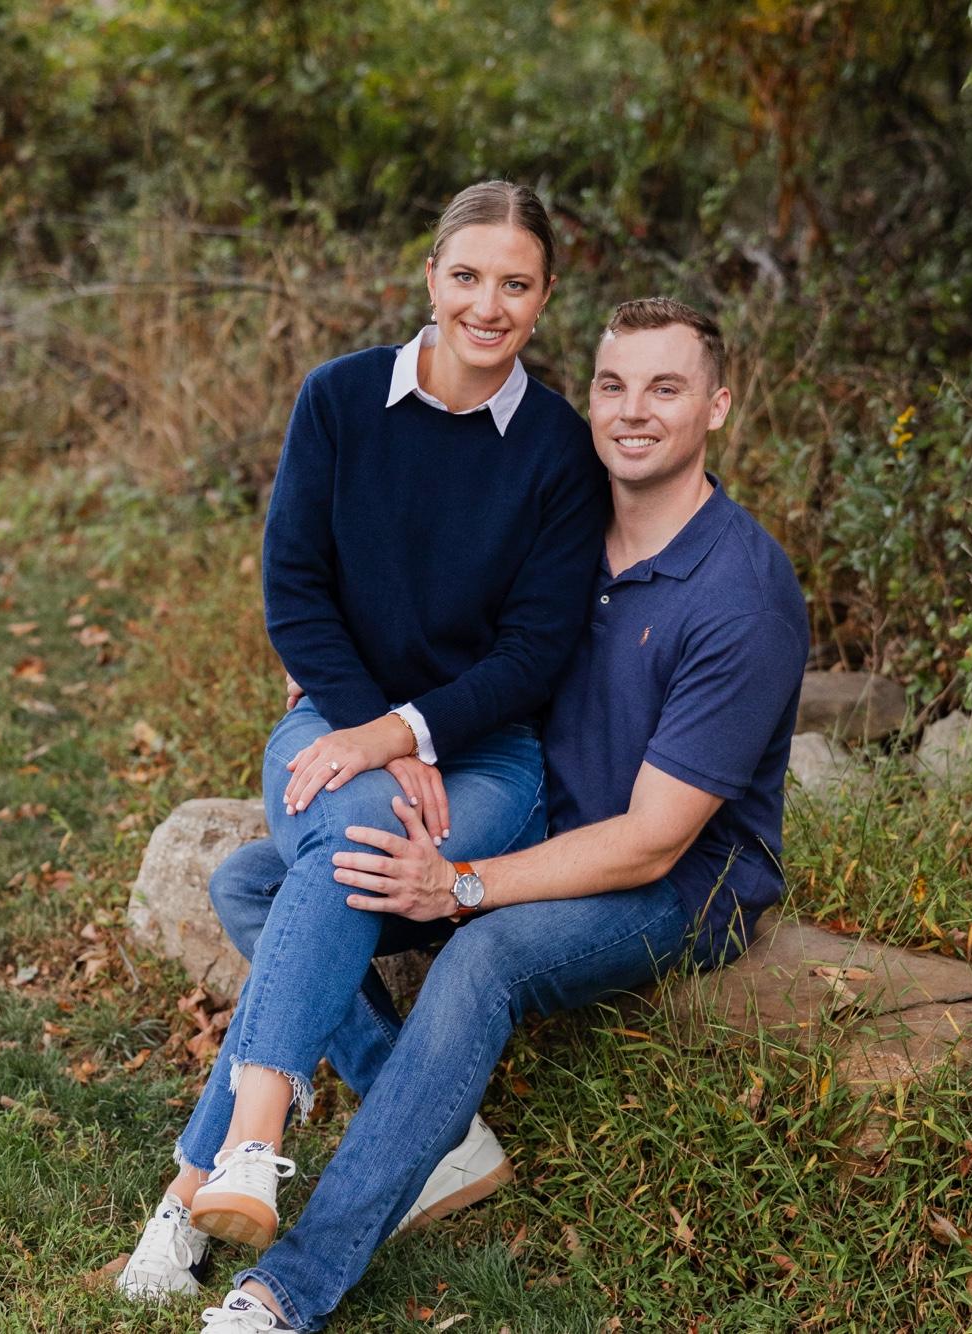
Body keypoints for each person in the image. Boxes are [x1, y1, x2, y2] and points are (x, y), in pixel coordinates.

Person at [193, 297, 809, 1331]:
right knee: (255, 879)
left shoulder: (740, 595)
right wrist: (359, 706)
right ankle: (436, 1129)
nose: (632, 411)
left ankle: (288, 1285)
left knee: (484, 957)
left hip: (684, 883)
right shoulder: (569, 527)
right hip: (541, 816)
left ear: (716, 407)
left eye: (665, 388)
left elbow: (653, 839)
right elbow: (444, 633)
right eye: (612, 385)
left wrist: (461, 887)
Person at [117, 182, 607, 1306]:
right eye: (467, 275)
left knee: (302, 864)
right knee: (355, 827)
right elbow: (293, 588)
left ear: (543, 298)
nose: (487, 304)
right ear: (430, 276)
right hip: (332, 722)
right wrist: (375, 735)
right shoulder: (338, 398)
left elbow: (534, 652)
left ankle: (213, 1168)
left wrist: (409, 734)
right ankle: (320, 1139)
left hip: (486, 757)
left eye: (516, 283)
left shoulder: (556, 450)